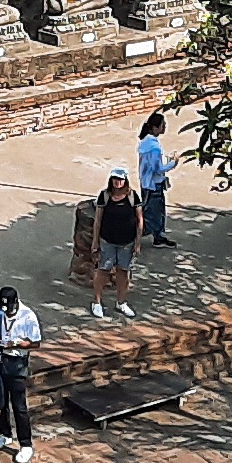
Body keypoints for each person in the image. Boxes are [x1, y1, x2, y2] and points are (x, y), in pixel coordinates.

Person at [0, 285, 41, 463]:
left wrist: (15, 344)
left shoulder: (28, 316)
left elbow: (35, 343)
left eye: (10, 311)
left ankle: (25, 444)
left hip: (16, 362)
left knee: (19, 406)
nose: (7, 314)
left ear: (16, 303)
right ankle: (5, 434)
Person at [89, 172, 142, 317]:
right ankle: (97, 302)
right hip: (108, 241)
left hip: (126, 243)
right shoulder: (104, 196)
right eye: (115, 179)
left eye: (121, 179)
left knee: (123, 272)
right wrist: (95, 241)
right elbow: (98, 220)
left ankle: (121, 302)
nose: (118, 182)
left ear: (126, 181)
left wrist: (138, 242)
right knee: (103, 270)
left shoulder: (132, 196)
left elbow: (139, 220)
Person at [136, 111, 175, 247]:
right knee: (153, 214)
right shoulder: (153, 147)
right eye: (162, 125)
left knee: (154, 212)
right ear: (155, 127)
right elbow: (157, 168)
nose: (164, 127)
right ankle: (136, 235)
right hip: (153, 185)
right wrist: (173, 163)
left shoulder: (146, 143)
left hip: (147, 183)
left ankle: (159, 236)